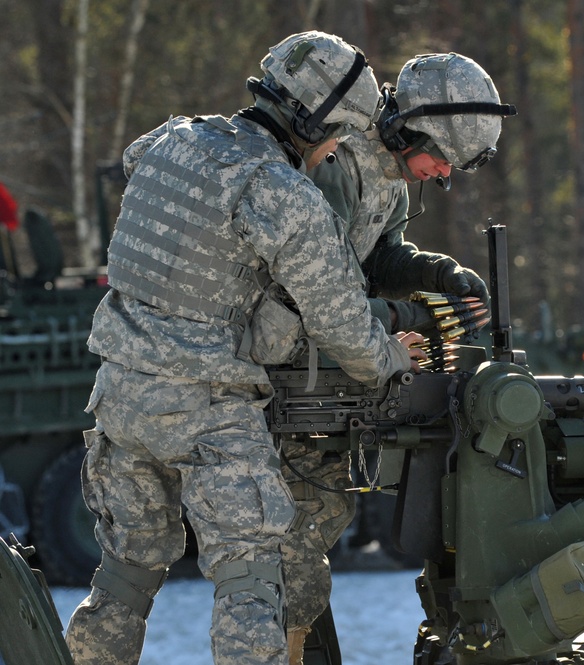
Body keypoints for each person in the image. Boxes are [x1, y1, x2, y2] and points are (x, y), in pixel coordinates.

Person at [63, 31, 426, 665]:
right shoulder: (285, 196)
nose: (338, 150)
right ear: (313, 121)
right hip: (208, 409)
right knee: (253, 584)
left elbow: (133, 160)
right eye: (339, 136)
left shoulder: (172, 139)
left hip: (118, 397)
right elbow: (344, 327)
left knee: (124, 578)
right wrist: (393, 356)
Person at [268, 51, 516, 661]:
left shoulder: (388, 177)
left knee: (315, 530)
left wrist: (437, 275)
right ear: (407, 129)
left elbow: (378, 261)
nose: (440, 176)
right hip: (289, 372)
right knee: (292, 547)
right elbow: (316, 295)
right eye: (440, 160)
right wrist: (410, 316)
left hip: (331, 367)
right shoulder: (336, 163)